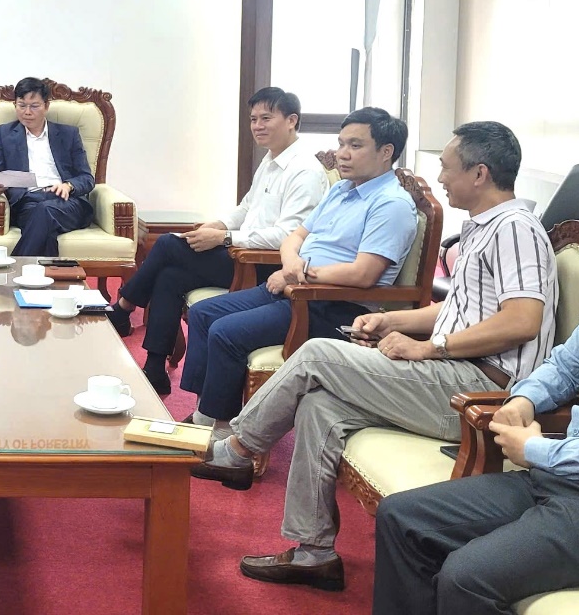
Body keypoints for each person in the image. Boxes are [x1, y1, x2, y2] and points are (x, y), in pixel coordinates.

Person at [192, 121, 557, 592]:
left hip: (481, 394)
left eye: (447, 168)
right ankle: (314, 553)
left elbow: (522, 321)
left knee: (317, 353)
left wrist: (428, 347)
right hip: (453, 373)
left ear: (480, 173)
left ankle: (239, 448)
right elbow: (462, 311)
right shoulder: (486, 228)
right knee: (319, 406)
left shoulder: (515, 230)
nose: (441, 177)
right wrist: (391, 321)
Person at [373, 174, 579, 615]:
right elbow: (564, 365)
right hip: (578, 474)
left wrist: (537, 450)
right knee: (402, 517)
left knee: (467, 577)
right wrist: (523, 400)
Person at [180, 107, 418, 436]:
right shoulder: (341, 190)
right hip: (296, 288)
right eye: (341, 143)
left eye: (355, 145)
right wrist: (291, 262)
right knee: (203, 313)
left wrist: (300, 273)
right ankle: (204, 413)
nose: (342, 154)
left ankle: (222, 432)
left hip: (334, 305)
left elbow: (364, 275)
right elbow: (296, 235)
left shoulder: (391, 204)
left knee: (226, 331)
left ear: (386, 151)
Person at [107, 87, 329, 395]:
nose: (257, 126)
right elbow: (247, 208)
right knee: (170, 276)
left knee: (168, 245)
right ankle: (155, 368)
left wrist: (223, 237)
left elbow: (288, 235)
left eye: (266, 118)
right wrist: (219, 225)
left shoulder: (304, 171)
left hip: (265, 266)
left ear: (291, 120)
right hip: (241, 253)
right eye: (253, 119)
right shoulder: (271, 160)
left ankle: (123, 308)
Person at [0, 77, 95, 257]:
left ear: (46, 106)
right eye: (21, 105)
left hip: (66, 202)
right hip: (28, 202)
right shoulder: (4, 134)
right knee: (45, 228)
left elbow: (87, 178)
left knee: (44, 211)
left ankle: (12, 268)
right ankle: (46, 274)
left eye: (34, 106)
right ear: (15, 105)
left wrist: (68, 186)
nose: (27, 112)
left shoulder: (68, 134)